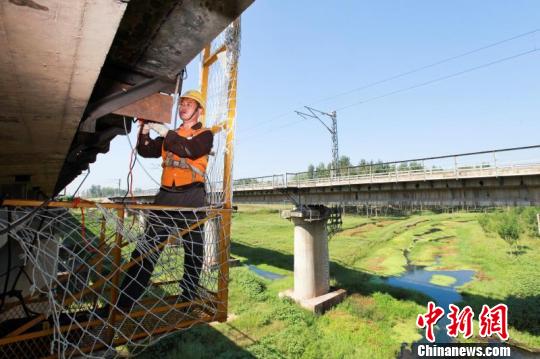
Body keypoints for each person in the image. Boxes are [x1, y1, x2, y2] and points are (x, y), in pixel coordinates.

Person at [116, 90, 213, 311]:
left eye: (189, 104)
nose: (184, 107)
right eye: (182, 103)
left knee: (193, 252)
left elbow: (189, 149)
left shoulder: (205, 135)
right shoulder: (171, 134)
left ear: (199, 110)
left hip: (192, 199)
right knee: (146, 250)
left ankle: (187, 297)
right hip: (166, 196)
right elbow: (145, 150)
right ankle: (124, 302)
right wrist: (145, 129)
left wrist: (164, 131)